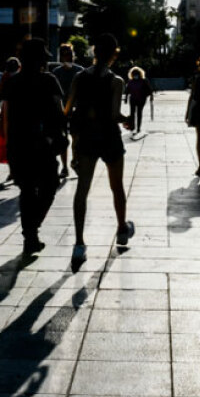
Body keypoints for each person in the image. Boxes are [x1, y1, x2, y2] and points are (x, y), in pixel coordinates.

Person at [66, 33, 134, 264]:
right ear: (114, 54)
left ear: (94, 53)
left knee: (82, 191)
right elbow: (114, 115)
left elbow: (68, 110)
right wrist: (126, 119)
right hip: (110, 139)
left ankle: (78, 243)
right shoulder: (116, 81)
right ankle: (122, 229)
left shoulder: (79, 77)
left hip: (86, 139)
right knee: (117, 187)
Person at [2, 38, 66, 255]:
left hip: (19, 144)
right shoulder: (49, 80)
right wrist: (60, 136)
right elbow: (59, 111)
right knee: (49, 186)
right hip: (42, 144)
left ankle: (30, 234)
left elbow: (7, 119)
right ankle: (32, 231)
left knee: (27, 191)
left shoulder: (13, 82)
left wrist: (8, 147)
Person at [51, 43, 84, 178]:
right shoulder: (56, 72)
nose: (66, 56)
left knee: (76, 138)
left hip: (77, 110)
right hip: (61, 110)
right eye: (64, 53)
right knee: (63, 139)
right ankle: (65, 167)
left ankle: (75, 161)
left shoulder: (80, 70)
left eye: (69, 53)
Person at [0, 57, 20, 168]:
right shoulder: (22, 77)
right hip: (19, 111)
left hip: (7, 109)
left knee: (8, 139)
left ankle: (11, 168)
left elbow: (1, 94)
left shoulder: (5, 77)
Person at [123, 66, 154, 136]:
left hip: (141, 99)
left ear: (140, 74)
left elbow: (149, 89)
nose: (135, 75)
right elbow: (127, 90)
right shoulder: (130, 81)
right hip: (133, 99)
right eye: (133, 74)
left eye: (136, 74)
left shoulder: (144, 81)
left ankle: (138, 128)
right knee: (132, 114)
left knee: (139, 113)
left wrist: (151, 96)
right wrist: (125, 98)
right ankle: (132, 127)